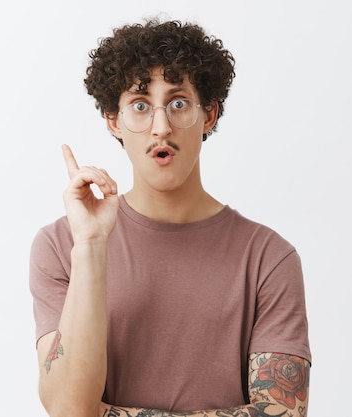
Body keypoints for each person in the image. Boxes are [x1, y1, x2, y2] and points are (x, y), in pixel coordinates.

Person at [29, 17, 311, 417]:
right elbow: (69, 410)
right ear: (114, 120)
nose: (161, 127)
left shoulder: (269, 258)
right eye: (140, 106)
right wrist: (91, 246)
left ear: (208, 114)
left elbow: (282, 413)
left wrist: (106, 412)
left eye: (178, 103)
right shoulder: (62, 246)